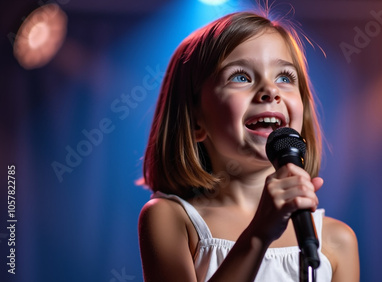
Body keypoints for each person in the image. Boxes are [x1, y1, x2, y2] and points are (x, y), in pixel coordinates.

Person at [138, 10, 359, 282]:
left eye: (285, 78)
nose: (271, 90)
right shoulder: (169, 218)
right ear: (195, 121)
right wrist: (258, 234)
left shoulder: (338, 241)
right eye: (241, 77)